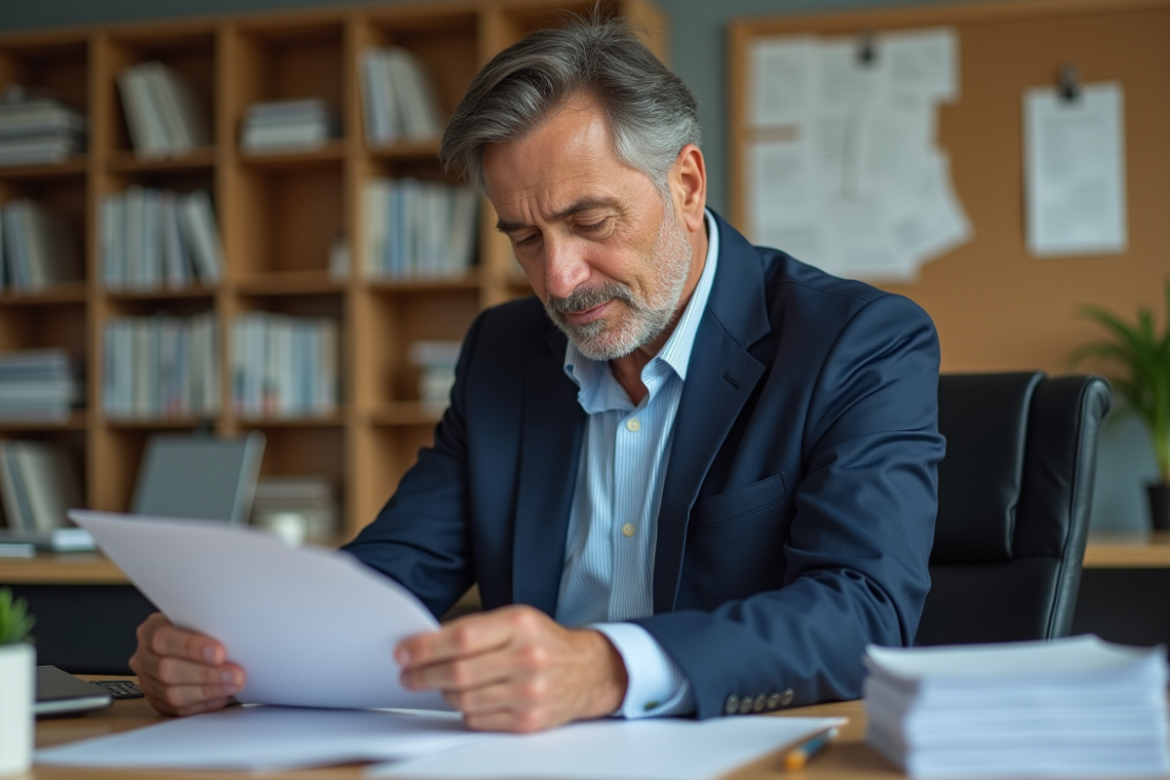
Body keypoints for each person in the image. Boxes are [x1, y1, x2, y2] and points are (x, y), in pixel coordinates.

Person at [130, 16, 945, 732]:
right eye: (524, 237)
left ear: (687, 184)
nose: (558, 279)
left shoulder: (855, 343)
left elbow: (861, 611)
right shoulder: (503, 351)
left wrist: (609, 668)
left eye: (589, 221)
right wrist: (231, 648)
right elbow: (394, 575)